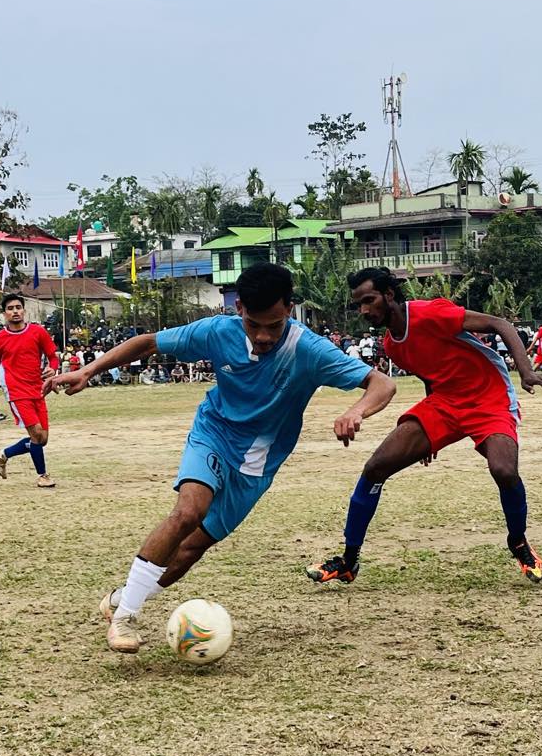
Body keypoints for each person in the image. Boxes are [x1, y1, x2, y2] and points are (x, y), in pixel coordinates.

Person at [46, 262, 395, 653]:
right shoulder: (217, 331)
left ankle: (122, 598)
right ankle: (125, 618)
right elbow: (147, 342)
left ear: (290, 309)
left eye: (275, 325)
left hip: (258, 464)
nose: (263, 336)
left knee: (191, 550)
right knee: (187, 512)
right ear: (240, 308)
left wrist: (356, 411)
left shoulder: (308, 349)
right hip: (213, 434)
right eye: (254, 324)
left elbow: (381, 383)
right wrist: (88, 371)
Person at [307, 267, 542, 586]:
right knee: (375, 468)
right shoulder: (393, 345)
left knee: (504, 470)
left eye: (369, 300)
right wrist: (431, 435)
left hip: (487, 397)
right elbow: (430, 375)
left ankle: (519, 543)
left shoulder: (429, 313)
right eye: (358, 305)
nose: (364, 310)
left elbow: (500, 323)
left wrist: (526, 372)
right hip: (445, 403)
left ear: (390, 295)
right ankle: (349, 561)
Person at [0, 293, 61, 488]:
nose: (15, 312)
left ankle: (3, 454)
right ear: (4, 314)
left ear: (24, 310)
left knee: (42, 439)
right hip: (16, 391)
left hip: (38, 389)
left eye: (18, 308)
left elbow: (53, 356)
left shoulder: (38, 332)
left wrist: (53, 368)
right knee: (36, 434)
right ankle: (43, 476)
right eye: (10, 309)